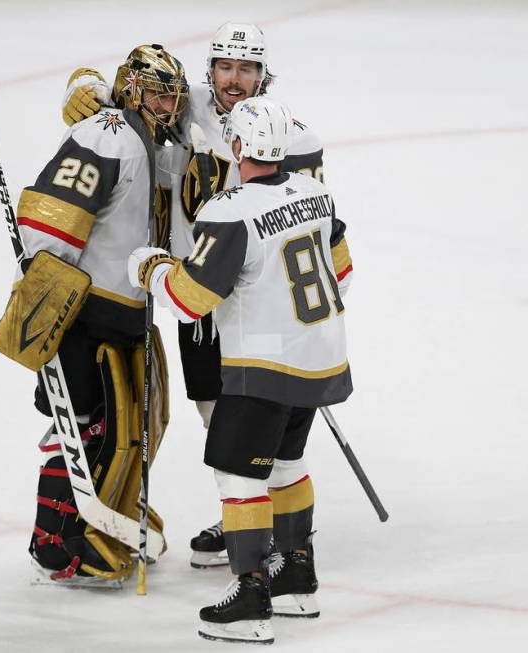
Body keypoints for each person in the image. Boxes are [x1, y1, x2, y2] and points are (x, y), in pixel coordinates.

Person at [61, 22, 333, 569]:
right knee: (217, 411)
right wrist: (82, 87)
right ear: (210, 69)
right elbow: (118, 87)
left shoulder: (291, 136)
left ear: (263, 74)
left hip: (258, 301)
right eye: (226, 67)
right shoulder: (186, 103)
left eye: (248, 69)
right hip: (200, 291)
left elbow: (315, 221)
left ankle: (274, 531)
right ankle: (243, 514)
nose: (235, 80)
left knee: (265, 416)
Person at [127, 97, 354, 643]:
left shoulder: (228, 209)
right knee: (286, 466)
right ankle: (297, 579)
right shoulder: (317, 194)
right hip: (319, 359)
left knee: (239, 477)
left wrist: (150, 266)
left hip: (263, 365)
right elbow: (341, 273)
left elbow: (190, 301)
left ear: (237, 147)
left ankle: (251, 595)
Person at [13, 44, 189, 587]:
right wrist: (45, 296)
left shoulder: (152, 138)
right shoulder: (107, 134)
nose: (169, 106)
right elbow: (50, 217)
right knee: (83, 427)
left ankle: (111, 519)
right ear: (134, 88)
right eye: (159, 94)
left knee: (134, 425)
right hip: (85, 311)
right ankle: (57, 541)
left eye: (174, 96)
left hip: (128, 311)